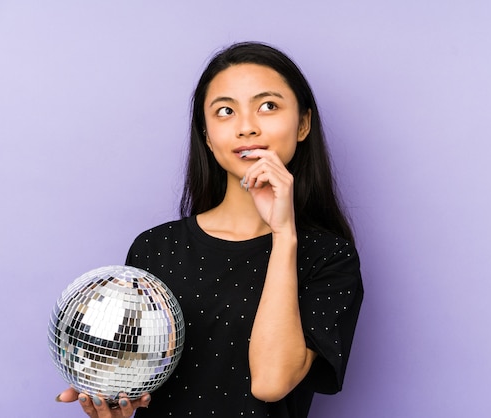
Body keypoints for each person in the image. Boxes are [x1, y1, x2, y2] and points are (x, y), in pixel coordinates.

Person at [56, 41, 363, 418]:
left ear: (303, 124)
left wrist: (284, 234)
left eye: (268, 106)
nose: (247, 127)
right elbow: (132, 379)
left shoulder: (329, 257)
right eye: (225, 111)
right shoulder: (155, 249)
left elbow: (270, 383)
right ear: (206, 134)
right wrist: (113, 400)